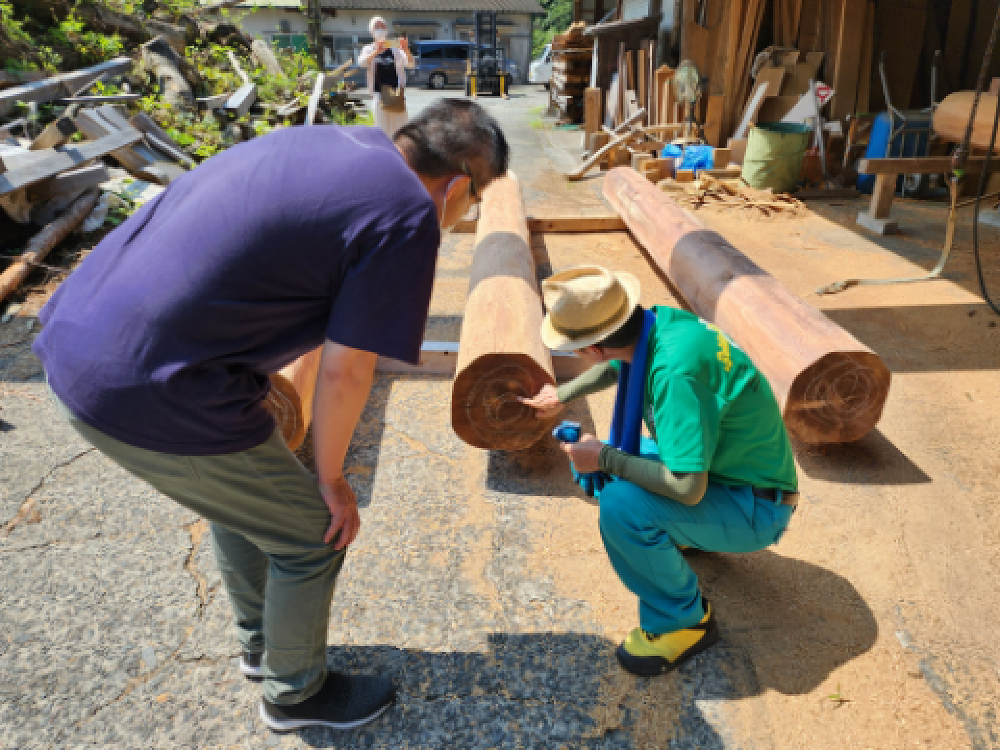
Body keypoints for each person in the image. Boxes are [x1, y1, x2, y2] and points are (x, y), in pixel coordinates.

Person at [34, 99, 508, 731]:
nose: (463, 215)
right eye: (472, 203)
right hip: (143, 380)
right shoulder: (407, 214)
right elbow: (346, 369)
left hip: (81, 332)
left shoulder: (335, 142)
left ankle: (264, 645)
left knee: (255, 492)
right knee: (313, 533)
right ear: (454, 186)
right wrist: (332, 479)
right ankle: (295, 694)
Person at [522, 265, 798, 676]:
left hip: (756, 506)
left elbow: (686, 487)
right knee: (620, 462)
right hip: (740, 475)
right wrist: (561, 395)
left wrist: (603, 459)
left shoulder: (674, 375)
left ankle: (684, 623)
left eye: (575, 348)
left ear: (593, 347)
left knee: (620, 501)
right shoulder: (658, 325)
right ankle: (682, 534)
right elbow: (615, 366)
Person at [357, 16, 414, 137]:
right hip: (379, 94)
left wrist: (406, 49)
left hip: (396, 94)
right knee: (382, 130)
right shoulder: (368, 49)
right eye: (376, 26)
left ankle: (399, 154)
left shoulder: (395, 48)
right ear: (371, 31)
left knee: (400, 130)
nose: (379, 28)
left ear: (387, 29)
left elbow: (410, 64)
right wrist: (376, 51)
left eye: (382, 26)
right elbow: (361, 63)